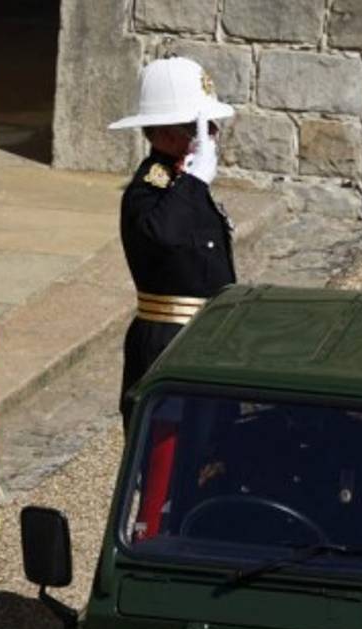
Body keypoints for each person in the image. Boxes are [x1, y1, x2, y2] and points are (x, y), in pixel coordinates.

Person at [107, 57, 238, 430]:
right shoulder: (149, 189)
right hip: (169, 343)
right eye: (200, 127)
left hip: (206, 337)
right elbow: (162, 235)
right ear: (165, 134)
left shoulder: (184, 188)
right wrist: (195, 181)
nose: (212, 134)